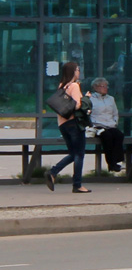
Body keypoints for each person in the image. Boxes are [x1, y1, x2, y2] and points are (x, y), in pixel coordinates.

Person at [45, 61, 91, 194]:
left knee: (73, 153)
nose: (79, 72)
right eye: (77, 69)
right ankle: (77, 185)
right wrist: (86, 98)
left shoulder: (62, 86)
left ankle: (53, 172)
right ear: (72, 72)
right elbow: (76, 106)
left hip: (63, 124)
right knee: (79, 154)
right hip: (74, 123)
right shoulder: (75, 86)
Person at [88, 77, 124, 174]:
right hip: (98, 125)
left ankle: (117, 160)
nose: (106, 88)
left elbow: (115, 113)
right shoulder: (91, 99)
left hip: (110, 124)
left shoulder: (111, 99)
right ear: (95, 87)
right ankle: (111, 164)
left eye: (106, 86)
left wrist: (115, 122)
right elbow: (87, 114)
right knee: (107, 136)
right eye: (103, 86)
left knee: (119, 135)